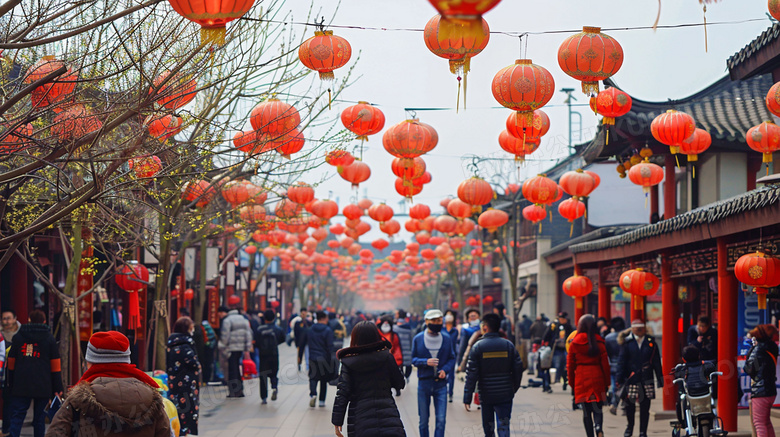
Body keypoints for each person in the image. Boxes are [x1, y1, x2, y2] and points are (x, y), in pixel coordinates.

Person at [45, 331, 170, 437]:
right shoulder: (151, 399)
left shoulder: (78, 400)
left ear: (91, 362)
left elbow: (55, 433)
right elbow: (165, 432)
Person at [331, 321, 406, 437]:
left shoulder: (348, 362)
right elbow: (400, 383)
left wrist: (337, 421)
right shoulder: (387, 357)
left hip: (360, 419)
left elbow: (343, 392)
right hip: (388, 417)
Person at [463, 314, 524, 437]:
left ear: (485, 327)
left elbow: (471, 375)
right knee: (504, 426)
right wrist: (514, 387)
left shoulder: (478, 347)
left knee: (488, 428)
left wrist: (467, 396)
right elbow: (518, 368)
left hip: (486, 395)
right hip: (505, 394)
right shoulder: (508, 346)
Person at [5, 310, 62, 437]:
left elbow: (11, 362)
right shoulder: (49, 339)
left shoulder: (18, 337)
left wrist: (11, 382)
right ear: (44, 321)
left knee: (17, 415)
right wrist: (57, 387)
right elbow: (55, 366)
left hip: (21, 382)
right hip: (43, 383)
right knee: (39, 418)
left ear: (29, 319)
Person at [411, 309, 456, 437]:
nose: (437, 323)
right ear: (426, 321)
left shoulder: (446, 339)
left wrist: (445, 370)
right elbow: (413, 359)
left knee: (441, 420)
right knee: (423, 421)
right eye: (434, 321)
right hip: (424, 383)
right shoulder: (418, 339)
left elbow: (452, 358)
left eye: (439, 321)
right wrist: (425, 362)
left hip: (441, 384)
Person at [617, 320, 663, 437]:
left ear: (644, 329)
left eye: (641, 329)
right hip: (631, 378)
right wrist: (619, 378)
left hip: (646, 378)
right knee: (629, 406)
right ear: (632, 329)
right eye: (636, 329)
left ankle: (643, 431)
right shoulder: (627, 343)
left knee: (645, 406)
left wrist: (660, 379)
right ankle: (630, 427)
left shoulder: (651, 342)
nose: (639, 331)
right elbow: (621, 362)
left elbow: (656, 362)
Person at [568, 315, 610, 437]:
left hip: (582, 378)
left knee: (586, 411)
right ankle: (598, 427)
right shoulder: (600, 341)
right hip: (597, 376)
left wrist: (572, 383)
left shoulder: (574, 343)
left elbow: (570, 366)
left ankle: (590, 435)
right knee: (598, 407)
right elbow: (606, 365)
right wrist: (607, 383)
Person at [166, 317, 200, 436]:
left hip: (173, 381)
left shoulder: (171, 343)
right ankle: (186, 431)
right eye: (191, 327)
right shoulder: (186, 345)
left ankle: (179, 430)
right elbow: (194, 363)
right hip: (187, 383)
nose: (193, 329)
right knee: (188, 408)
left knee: (177, 407)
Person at [744, 324, 778, 437]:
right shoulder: (772, 347)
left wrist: (752, 349)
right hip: (770, 390)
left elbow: (749, 369)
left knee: (759, 423)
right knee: (766, 422)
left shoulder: (758, 350)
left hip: (760, 391)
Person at [673, 346, 716, 426]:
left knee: (681, 397)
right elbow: (713, 368)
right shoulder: (707, 365)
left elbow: (677, 378)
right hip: (705, 393)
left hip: (691, 394)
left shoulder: (681, 369)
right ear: (699, 356)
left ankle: (684, 423)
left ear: (683, 358)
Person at [217, 305, 252, 398]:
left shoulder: (227, 320)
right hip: (240, 348)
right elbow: (248, 334)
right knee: (237, 368)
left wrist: (221, 346)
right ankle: (240, 390)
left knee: (232, 369)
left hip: (231, 348)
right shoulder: (243, 319)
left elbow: (225, 335)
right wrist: (247, 347)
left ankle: (233, 391)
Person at [305, 311, 337, 408]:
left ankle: (313, 394)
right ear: (323, 318)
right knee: (324, 379)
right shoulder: (328, 330)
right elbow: (330, 346)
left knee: (313, 377)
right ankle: (322, 401)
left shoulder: (310, 329)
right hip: (324, 358)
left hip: (313, 357)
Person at [255, 309, 285, 404]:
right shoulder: (278, 329)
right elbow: (282, 339)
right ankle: (274, 387)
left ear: (264, 318)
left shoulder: (259, 329)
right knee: (273, 373)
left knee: (263, 375)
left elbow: (256, 342)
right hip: (274, 354)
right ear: (274, 318)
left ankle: (264, 397)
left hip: (263, 355)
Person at [542, 312, 574, 390]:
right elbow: (546, 335)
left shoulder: (569, 326)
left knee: (565, 365)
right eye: (560, 319)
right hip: (555, 348)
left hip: (566, 349)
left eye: (563, 319)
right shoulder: (554, 326)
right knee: (557, 364)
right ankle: (555, 379)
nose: (562, 320)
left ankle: (564, 380)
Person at [605, 317, 627, 415]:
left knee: (615, 386)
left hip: (613, 364)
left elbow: (608, 353)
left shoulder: (608, 338)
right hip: (626, 366)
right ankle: (624, 406)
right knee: (626, 386)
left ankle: (614, 404)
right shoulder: (628, 337)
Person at [378, 315, 404, 396]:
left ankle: (397, 388)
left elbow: (397, 348)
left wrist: (398, 359)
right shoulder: (377, 334)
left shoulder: (394, 335)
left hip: (392, 358)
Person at [443, 310, 459, 402]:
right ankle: (444, 391)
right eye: (447, 315)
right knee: (444, 372)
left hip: (452, 354)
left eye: (450, 315)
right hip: (443, 354)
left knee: (451, 374)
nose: (448, 317)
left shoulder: (455, 331)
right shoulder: (441, 329)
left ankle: (451, 393)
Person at [394, 310, 414, 382]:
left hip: (398, 349)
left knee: (399, 365)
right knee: (408, 365)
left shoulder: (395, 327)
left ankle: (401, 377)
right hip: (407, 349)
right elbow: (411, 339)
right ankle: (407, 377)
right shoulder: (408, 327)